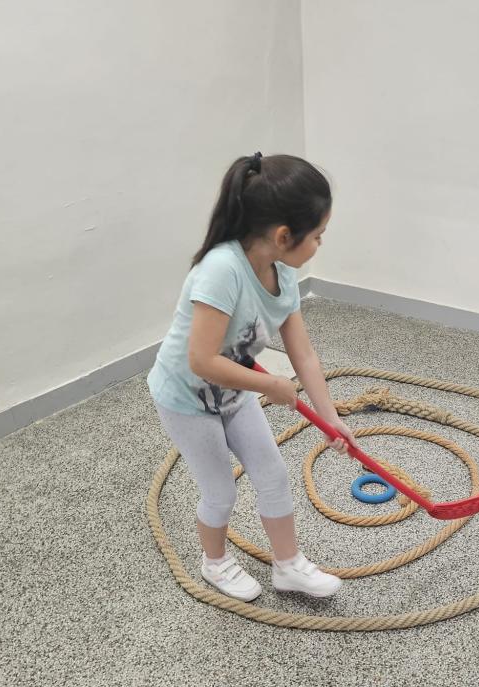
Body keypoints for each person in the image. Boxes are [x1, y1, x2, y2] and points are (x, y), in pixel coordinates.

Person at [148, 152, 355, 601]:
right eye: (318, 236)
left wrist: (330, 417)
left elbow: (304, 355)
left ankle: (288, 565)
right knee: (220, 492)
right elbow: (201, 360)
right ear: (284, 236)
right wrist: (270, 385)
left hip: (234, 391)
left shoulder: (282, 272)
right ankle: (215, 562)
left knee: (273, 474)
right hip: (186, 399)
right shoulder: (221, 271)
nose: (320, 244)